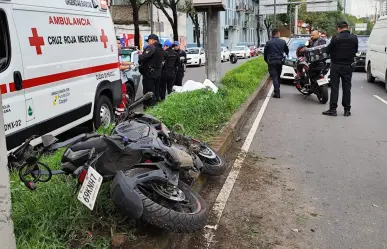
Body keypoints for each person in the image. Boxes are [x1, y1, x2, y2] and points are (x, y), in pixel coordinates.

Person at [323, 21, 358, 117]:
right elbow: (355, 50)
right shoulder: (354, 38)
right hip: (348, 66)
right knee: (347, 88)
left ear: (339, 28)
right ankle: (347, 110)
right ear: (347, 27)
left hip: (336, 66)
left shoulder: (336, 38)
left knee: (335, 88)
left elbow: (327, 50)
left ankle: (333, 109)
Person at [139, 34, 165, 109]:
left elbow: (142, 58)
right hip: (157, 73)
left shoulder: (151, 47)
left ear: (153, 40)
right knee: (156, 91)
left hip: (150, 74)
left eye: (149, 41)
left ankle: (148, 108)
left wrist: (140, 56)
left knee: (148, 92)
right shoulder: (160, 48)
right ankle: (156, 107)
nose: (148, 43)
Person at [264, 29, 289, 98]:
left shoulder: (269, 42)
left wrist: (266, 60)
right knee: (278, 76)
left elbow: (265, 53)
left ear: (272, 34)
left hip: (271, 61)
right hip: (280, 61)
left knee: (274, 77)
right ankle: (277, 89)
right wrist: (285, 56)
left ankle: (277, 93)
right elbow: (287, 51)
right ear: (278, 34)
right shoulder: (283, 42)